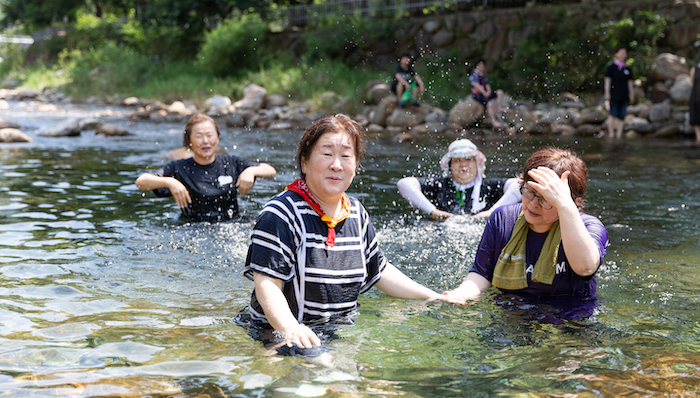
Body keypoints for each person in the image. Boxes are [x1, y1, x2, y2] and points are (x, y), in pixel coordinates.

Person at [239, 114, 444, 351]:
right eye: (327, 154)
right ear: (304, 163)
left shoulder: (356, 212)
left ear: (356, 166)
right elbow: (267, 283)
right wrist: (289, 328)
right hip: (277, 333)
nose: (337, 164)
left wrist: (432, 296)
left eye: (346, 156)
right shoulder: (281, 213)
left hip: (335, 332)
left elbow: (379, 270)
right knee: (333, 377)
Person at [443, 147, 608, 303]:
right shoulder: (503, 219)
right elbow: (482, 274)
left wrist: (565, 205)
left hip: (569, 317)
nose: (533, 204)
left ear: (570, 201)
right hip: (510, 311)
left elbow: (585, 268)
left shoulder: (588, 227)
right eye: (529, 191)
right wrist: (460, 294)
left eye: (546, 198)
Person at [135, 114, 276, 222]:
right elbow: (141, 181)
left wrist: (251, 171)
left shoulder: (231, 162)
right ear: (189, 141)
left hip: (231, 225)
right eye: (199, 136)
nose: (205, 141)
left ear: (218, 138)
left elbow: (270, 170)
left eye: (209, 135)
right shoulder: (179, 167)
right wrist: (170, 182)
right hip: (192, 228)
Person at [396, 139, 521, 220]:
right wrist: (433, 211)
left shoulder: (489, 186)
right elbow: (404, 184)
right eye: (457, 160)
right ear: (449, 166)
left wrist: (491, 212)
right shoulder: (440, 185)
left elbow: (519, 184)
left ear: (478, 163)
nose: (463, 165)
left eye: (468, 159)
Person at [604, 46, 635, 140]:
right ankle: (611, 135)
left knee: (622, 115)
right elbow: (607, 82)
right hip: (614, 95)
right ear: (616, 54)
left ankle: (619, 135)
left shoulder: (627, 69)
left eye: (624, 53)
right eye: (621, 53)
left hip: (624, 96)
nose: (623, 55)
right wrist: (607, 93)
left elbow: (630, 84)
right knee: (612, 114)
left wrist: (631, 94)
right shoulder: (611, 68)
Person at [470, 59, 504, 129]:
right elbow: (476, 86)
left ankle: (499, 108)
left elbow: (487, 84)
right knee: (490, 103)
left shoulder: (483, 75)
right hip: (478, 94)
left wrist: (488, 91)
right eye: (480, 65)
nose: (482, 67)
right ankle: (493, 121)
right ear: (476, 66)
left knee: (500, 92)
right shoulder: (474, 75)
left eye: (483, 65)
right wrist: (484, 92)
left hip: (485, 93)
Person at [689, 61, 700, 146]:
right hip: (696, 97)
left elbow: (692, 82)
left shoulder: (694, 70)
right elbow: (692, 82)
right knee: (696, 120)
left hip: (696, 96)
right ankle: (698, 139)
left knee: (696, 120)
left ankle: (698, 140)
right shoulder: (694, 69)